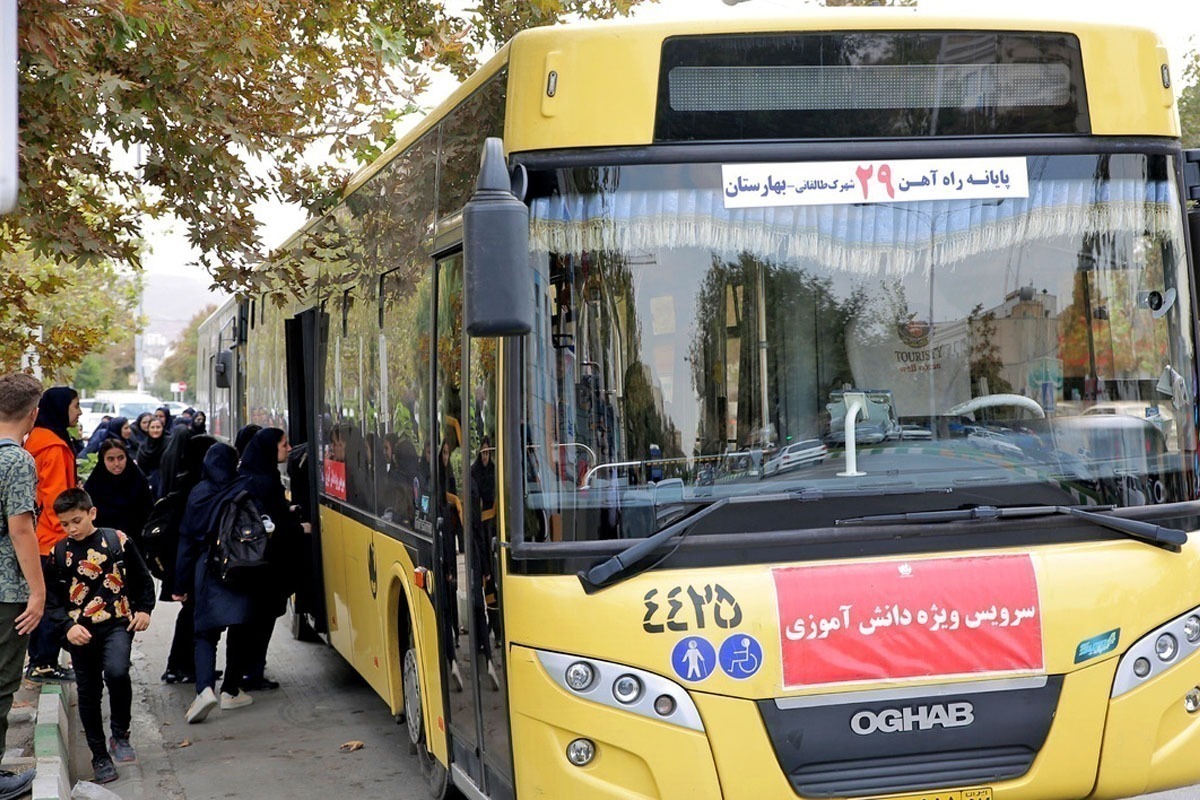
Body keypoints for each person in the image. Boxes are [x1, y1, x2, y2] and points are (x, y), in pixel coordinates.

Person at [44, 488, 153, 783]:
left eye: (76, 521)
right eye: (65, 524)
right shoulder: (58, 554)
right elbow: (52, 601)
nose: (71, 529)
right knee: (88, 692)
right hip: (80, 633)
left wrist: (144, 610)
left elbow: (143, 579)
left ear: (92, 513)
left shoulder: (117, 541)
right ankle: (99, 756)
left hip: (117, 623)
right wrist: (67, 627)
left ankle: (120, 733)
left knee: (118, 672)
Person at [176, 443, 258, 722]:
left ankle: (204, 690)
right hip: (237, 565)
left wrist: (180, 584)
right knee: (239, 627)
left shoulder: (198, 493)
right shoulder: (243, 487)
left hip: (205, 568)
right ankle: (231, 690)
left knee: (204, 633)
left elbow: (186, 540)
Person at [0, 373, 45, 798]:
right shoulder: (16, 460)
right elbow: (21, 529)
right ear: (32, 414)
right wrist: (38, 590)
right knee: (1, 682)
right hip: (4, 590)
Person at [236, 428, 306, 689]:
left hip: (254, 563)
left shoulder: (251, 474)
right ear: (269, 449)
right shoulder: (263, 480)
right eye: (284, 445)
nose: (289, 449)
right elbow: (269, 523)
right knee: (261, 620)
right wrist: (299, 528)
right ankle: (251, 673)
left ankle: (248, 670)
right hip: (265, 564)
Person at [24, 386, 81, 682]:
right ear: (61, 409)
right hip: (51, 539)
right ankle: (43, 662)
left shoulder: (37, 439)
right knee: (52, 603)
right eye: (75, 406)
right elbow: (58, 499)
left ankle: (41, 659)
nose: (80, 412)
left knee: (43, 600)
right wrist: (69, 536)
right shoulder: (55, 448)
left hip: (37, 536)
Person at [153, 429, 218, 684]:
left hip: (183, 564)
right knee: (191, 615)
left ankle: (185, 665)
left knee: (191, 614)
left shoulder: (185, 482)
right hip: (187, 564)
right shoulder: (195, 490)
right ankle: (180, 666)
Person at [83, 440, 153, 551]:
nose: (116, 463)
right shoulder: (94, 484)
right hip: (103, 545)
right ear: (103, 460)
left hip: (135, 543)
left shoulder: (138, 479)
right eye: (110, 459)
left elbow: (148, 512)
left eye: (121, 458)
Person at [135, 417, 167, 497]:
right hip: (148, 481)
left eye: (158, 427)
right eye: (152, 427)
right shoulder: (143, 446)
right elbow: (141, 466)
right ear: (148, 429)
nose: (155, 430)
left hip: (166, 480)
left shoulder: (169, 443)